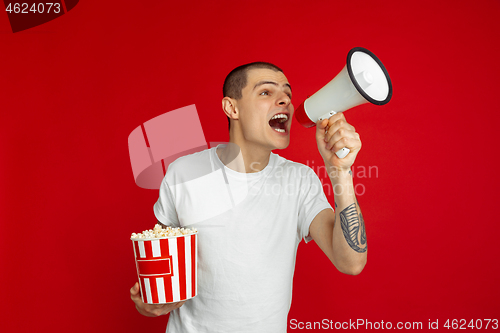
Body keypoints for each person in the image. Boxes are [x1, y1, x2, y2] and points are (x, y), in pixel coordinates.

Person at [130, 62, 367, 332]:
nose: (285, 101)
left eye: (287, 95)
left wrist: (340, 171)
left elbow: (351, 262)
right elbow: (162, 275)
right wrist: (149, 302)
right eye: (266, 92)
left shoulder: (299, 180)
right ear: (232, 108)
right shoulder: (182, 173)